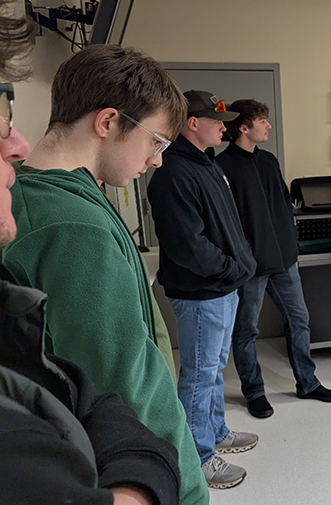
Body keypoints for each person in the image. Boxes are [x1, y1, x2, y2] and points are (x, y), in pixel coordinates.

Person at [1, 44, 209, 504]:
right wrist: (186, 487)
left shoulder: (55, 197)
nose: (156, 159)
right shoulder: (73, 226)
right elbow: (123, 381)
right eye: (155, 141)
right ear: (109, 121)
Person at [147, 90, 258, 490]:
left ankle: (216, 432)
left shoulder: (206, 165)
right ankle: (199, 457)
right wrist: (231, 268)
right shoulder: (175, 173)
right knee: (198, 375)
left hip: (221, 288)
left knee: (212, 371)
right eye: (216, 120)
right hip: (201, 292)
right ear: (192, 123)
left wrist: (237, 269)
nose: (224, 126)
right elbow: (188, 245)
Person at [216, 99, 331, 418]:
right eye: (262, 120)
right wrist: (243, 256)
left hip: (284, 259)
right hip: (251, 266)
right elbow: (227, 220)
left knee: (299, 319)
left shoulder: (269, 160)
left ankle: (307, 382)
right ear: (243, 128)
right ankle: (254, 391)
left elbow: (285, 203)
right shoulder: (222, 166)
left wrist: (291, 244)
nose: (268, 126)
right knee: (246, 330)